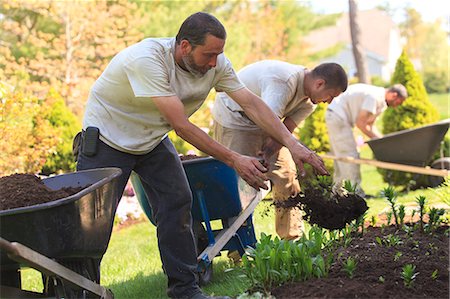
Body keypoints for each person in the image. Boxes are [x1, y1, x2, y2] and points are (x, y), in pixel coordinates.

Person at [76, 12, 330, 299]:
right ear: (184, 46)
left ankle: (185, 291)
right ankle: (80, 293)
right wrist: (235, 159)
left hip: (149, 140)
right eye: (208, 55)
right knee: (92, 223)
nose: (214, 63)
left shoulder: (216, 63)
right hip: (108, 139)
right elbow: (182, 126)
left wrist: (294, 145)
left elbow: (251, 103)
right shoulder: (147, 60)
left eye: (218, 55)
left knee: (178, 202)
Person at [212, 60, 348, 242]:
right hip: (235, 119)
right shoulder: (283, 81)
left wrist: (268, 153)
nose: (329, 102)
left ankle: (292, 240)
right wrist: (293, 149)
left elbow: (284, 130)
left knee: (286, 175)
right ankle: (241, 249)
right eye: (330, 96)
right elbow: (268, 119)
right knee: (241, 184)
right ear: (320, 84)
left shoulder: (309, 103)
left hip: (267, 123)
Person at [325, 83, 408, 197]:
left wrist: (382, 141)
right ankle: (355, 194)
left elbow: (369, 125)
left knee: (341, 158)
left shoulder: (381, 102)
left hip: (337, 117)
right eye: (399, 102)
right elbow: (361, 123)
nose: (396, 106)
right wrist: (377, 139)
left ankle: (337, 194)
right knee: (350, 156)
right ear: (394, 95)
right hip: (338, 117)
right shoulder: (374, 97)